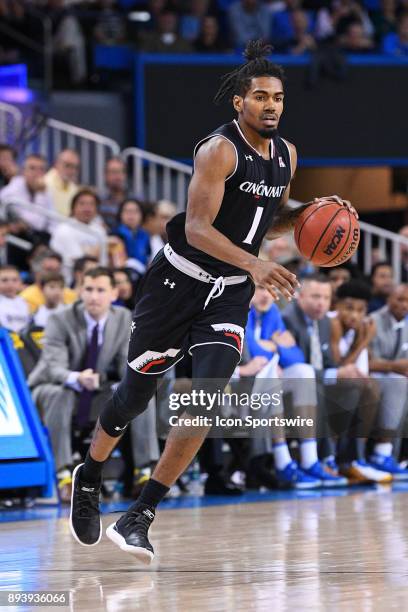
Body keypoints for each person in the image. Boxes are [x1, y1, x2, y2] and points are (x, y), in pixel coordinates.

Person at [69, 40, 356, 561]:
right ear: (238, 102)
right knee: (134, 396)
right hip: (177, 284)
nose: (271, 105)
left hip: (229, 296)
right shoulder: (218, 150)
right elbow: (199, 229)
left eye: (279, 98)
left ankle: (140, 515)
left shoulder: (287, 156)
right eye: (261, 96)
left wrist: (312, 214)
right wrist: (258, 264)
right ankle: (88, 474)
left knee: (205, 397)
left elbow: (265, 224)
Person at [28, 267, 132, 500]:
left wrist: (105, 380)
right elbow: (54, 368)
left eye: (100, 290)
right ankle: (64, 475)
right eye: (88, 289)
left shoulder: (123, 318)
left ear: (114, 294)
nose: (94, 296)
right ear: (79, 292)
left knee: (138, 395)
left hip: (95, 388)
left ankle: (143, 471)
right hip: (50, 386)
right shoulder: (60, 318)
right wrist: (77, 378)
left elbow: (126, 364)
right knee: (61, 394)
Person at [330, 280, 394, 483]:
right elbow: (338, 365)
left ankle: (358, 458)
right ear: (336, 305)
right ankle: (342, 460)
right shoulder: (332, 323)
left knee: (371, 386)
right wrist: (364, 341)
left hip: (346, 388)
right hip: (323, 383)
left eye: (361, 310)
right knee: (362, 386)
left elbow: (362, 369)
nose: (355, 315)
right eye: (349, 308)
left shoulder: (358, 327)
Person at [369, 284, 408, 476]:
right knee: (397, 382)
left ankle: (399, 455)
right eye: (400, 299)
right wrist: (395, 366)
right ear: (388, 300)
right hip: (374, 378)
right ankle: (381, 453)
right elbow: (368, 363)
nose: (404, 305)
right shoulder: (373, 321)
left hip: (396, 379)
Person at [50, 188, 108, 283]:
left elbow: (103, 262)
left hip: (97, 280)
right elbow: (78, 262)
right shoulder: (64, 229)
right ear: (73, 207)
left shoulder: (100, 231)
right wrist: (92, 254)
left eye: (91, 204)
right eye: (82, 204)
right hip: (68, 281)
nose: (87, 208)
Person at [19, 250, 77, 314]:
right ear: (36, 272)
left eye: (56, 270)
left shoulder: (71, 295)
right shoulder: (26, 298)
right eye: (48, 270)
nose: (52, 275)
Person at [112, 199, 151, 274]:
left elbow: (148, 258)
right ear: (120, 214)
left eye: (135, 211)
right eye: (127, 211)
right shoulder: (114, 234)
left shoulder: (145, 235)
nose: (131, 215)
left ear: (141, 215)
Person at [44, 149, 80, 218]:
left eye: (75, 167)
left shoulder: (75, 189)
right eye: (67, 165)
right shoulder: (45, 184)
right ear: (56, 164)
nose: (72, 170)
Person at [99, 158, 129, 231]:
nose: (117, 176)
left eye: (120, 172)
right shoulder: (99, 200)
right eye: (113, 172)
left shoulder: (135, 199)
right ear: (105, 175)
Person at [0, 264, 30, 332]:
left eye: (15, 280)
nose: (10, 284)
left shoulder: (24, 302)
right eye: (4, 280)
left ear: (21, 282)